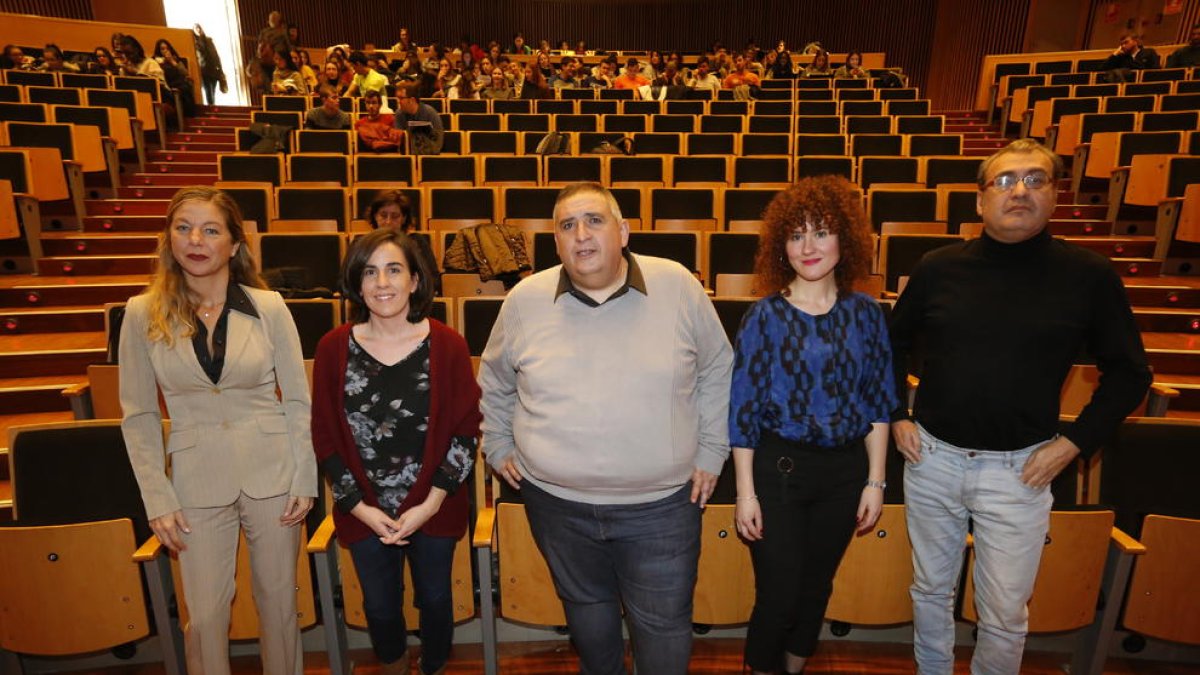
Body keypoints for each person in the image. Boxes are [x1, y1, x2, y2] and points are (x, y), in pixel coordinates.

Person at [888, 139, 1152, 675]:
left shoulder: (1089, 275)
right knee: (929, 591)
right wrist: (896, 413)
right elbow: (888, 346)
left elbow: (1130, 372)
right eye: (1005, 181)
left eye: (1036, 179)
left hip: (1022, 471)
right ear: (981, 200)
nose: (1020, 191)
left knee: (1005, 611)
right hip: (932, 460)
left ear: (1054, 196)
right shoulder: (937, 268)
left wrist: (1074, 444)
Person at [479, 182, 733, 675]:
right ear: (555, 243)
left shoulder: (678, 284)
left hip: (661, 508)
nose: (581, 235)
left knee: (662, 633)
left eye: (594, 220)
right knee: (589, 622)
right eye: (567, 225)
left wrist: (710, 451)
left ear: (623, 231)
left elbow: (718, 366)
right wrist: (498, 442)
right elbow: (494, 380)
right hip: (556, 507)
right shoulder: (524, 300)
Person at [120, 186, 316, 675]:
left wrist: (305, 478)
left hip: (274, 476)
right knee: (204, 619)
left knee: (279, 606)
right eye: (183, 227)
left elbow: (297, 399)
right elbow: (140, 414)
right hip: (194, 481)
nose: (196, 239)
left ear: (233, 243)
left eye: (211, 229)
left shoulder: (269, 308)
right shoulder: (141, 314)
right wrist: (156, 497)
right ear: (168, 238)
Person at [731, 177, 892, 675]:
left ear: (844, 241)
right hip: (779, 471)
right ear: (782, 245)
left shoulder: (867, 314)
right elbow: (744, 412)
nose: (808, 246)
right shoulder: (764, 317)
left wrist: (875, 481)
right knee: (778, 593)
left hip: (846, 474)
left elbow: (878, 403)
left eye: (821, 233)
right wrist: (744, 494)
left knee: (817, 586)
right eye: (796, 235)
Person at [311, 228, 479, 675]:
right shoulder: (332, 348)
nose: (382, 283)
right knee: (380, 607)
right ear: (356, 282)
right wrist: (360, 508)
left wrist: (430, 504)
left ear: (415, 281)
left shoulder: (448, 344)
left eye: (393, 270)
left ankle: (434, 665)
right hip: (364, 509)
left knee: (437, 600)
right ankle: (393, 664)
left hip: (433, 506)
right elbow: (324, 436)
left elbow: (466, 432)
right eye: (369, 272)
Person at [393, 82, 443, 155]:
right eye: (397, 98)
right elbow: (399, 142)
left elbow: (438, 142)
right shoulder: (399, 114)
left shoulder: (430, 113)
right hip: (407, 157)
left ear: (412, 100)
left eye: (401, 98)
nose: (398, 101)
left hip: (429, 157)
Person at [193, 25, 228, 105]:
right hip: (204, 71)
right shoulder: (195, 43)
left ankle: (212, 108)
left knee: (212, 91)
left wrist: (220, 70)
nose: (198, 30)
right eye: (196, 28)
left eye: (199, 28)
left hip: (213, 70)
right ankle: (212, 110)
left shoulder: (209, 40)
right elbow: (199, 55)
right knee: (208, 91)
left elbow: (215, 55)